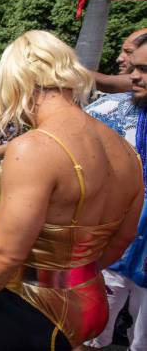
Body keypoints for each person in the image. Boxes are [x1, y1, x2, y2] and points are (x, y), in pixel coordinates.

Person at [0, 30, 143, 351]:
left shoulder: (33, 147)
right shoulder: (128, 152)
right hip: (91, 297)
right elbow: (121, 240)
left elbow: (5, 253)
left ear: (18, 83)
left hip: (38, 308)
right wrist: (74, 275)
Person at [84, 31, 147, 350]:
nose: (132, 75)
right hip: (115, 252)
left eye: (144, 69)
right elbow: (68, 135)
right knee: (94, 331)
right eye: (133, 65)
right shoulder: (114, 110)